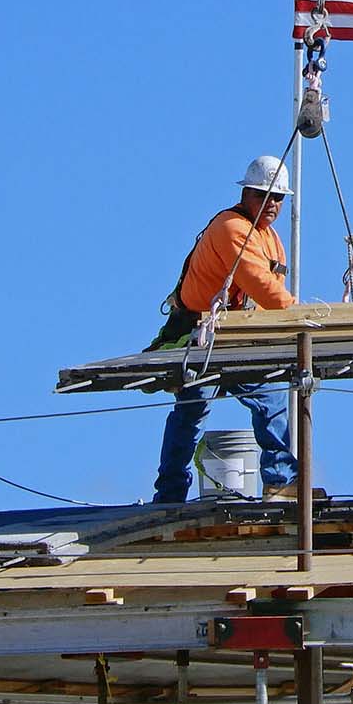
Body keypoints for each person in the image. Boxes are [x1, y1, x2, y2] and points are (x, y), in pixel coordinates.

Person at [147, 155, 302, 504]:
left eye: (278, 197)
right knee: (196, 408)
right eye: (264, 195)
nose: (272, 204)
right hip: (202, 336)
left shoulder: (269, 238)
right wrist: (300, 317)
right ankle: (172, 493)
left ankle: (279, 482)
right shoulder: (232, 228)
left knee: (266, 401)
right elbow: (262, 286)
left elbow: (264, 296)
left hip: (235, 335)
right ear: (246, 194)